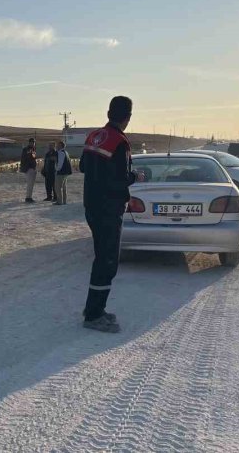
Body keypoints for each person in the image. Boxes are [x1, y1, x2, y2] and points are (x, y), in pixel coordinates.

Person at [79, 96, 137, 333]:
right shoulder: (119, 142)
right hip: (109, 209)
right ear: (128, 118)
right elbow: (119, 180)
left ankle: (95, 309)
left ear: (108, 112)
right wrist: (135, 178)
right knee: (107, 262)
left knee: (101, 257)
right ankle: (93, 316)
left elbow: (83, 166)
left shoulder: (94, 136)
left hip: (91, 206)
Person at [20, 137, 38, 203]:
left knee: (31, 184)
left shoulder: (33, 149)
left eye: (33, 142)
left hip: (32, 168)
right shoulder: (27, 149)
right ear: (30, 142)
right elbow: (25, 159)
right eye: (32, 142)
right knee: (30, 184)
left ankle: (29, 197)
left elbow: (33, 158)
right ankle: (28, 197)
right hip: (29, 168)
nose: (33, 143)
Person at [54, 140, 72, 205]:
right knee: (64, 187)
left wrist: (56, 170)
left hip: (61, 173)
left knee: (58, 187)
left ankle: (59, 201)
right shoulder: (65, 152)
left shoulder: (60, 153)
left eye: (57, 145)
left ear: (60, 145)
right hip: (65, 173)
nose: (56, 146)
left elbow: (60, 164)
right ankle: (64, 201)